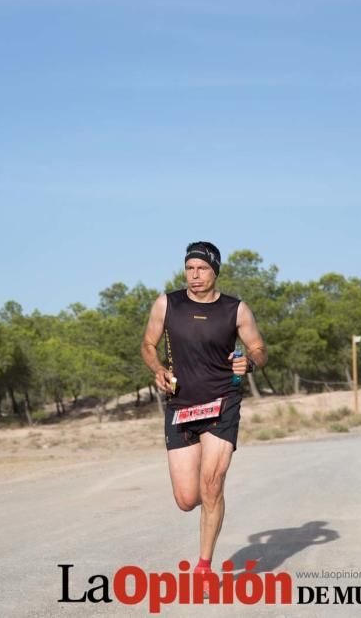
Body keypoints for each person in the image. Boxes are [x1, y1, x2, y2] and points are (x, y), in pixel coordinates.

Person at [140, 241, 268, 587]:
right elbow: (148, 344)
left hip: (222, 402)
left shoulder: (235, 310)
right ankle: (209, 503)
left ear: (215, 271)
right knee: (187, 499)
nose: (194, 276)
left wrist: (250, 362)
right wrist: (157, 369)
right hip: (181, 404)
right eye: (189, 269)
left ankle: (204, 568)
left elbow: (258, 348)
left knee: (211, 485)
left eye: (202, 269)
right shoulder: (167, 304)